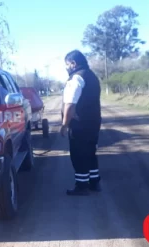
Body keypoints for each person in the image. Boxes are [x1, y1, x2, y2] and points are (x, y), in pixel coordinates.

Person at [60, 50, 102, 196]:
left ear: (73, 63)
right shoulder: (92, 76)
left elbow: (70, 105)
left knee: (78, 155)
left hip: (80, 124)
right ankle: (94, 182)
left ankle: (82, 186)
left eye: (67, 64)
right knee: (90, 152)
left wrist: (65, 125)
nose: (66, 68)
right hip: (94, 122)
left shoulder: (76, 78)